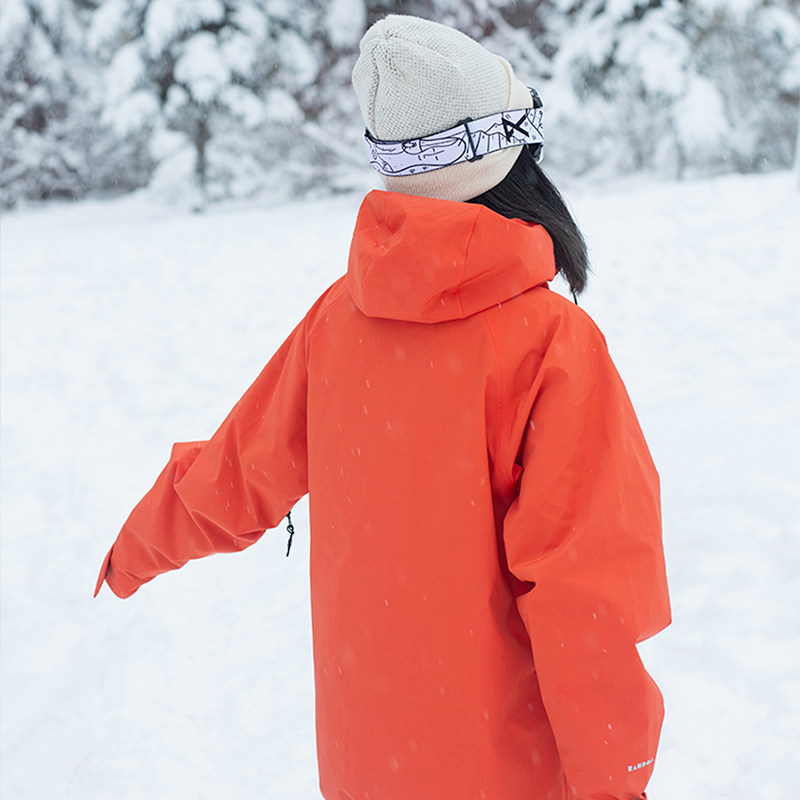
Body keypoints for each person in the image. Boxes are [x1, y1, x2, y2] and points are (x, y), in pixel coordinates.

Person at [95, 14, 670, 800]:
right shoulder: (551, 345)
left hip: (369, 767)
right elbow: (586, 601)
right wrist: (619, 783)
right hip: (507, 775)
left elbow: (234, 474)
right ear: (512, 161)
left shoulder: (339, 321)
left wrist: (132, 548)